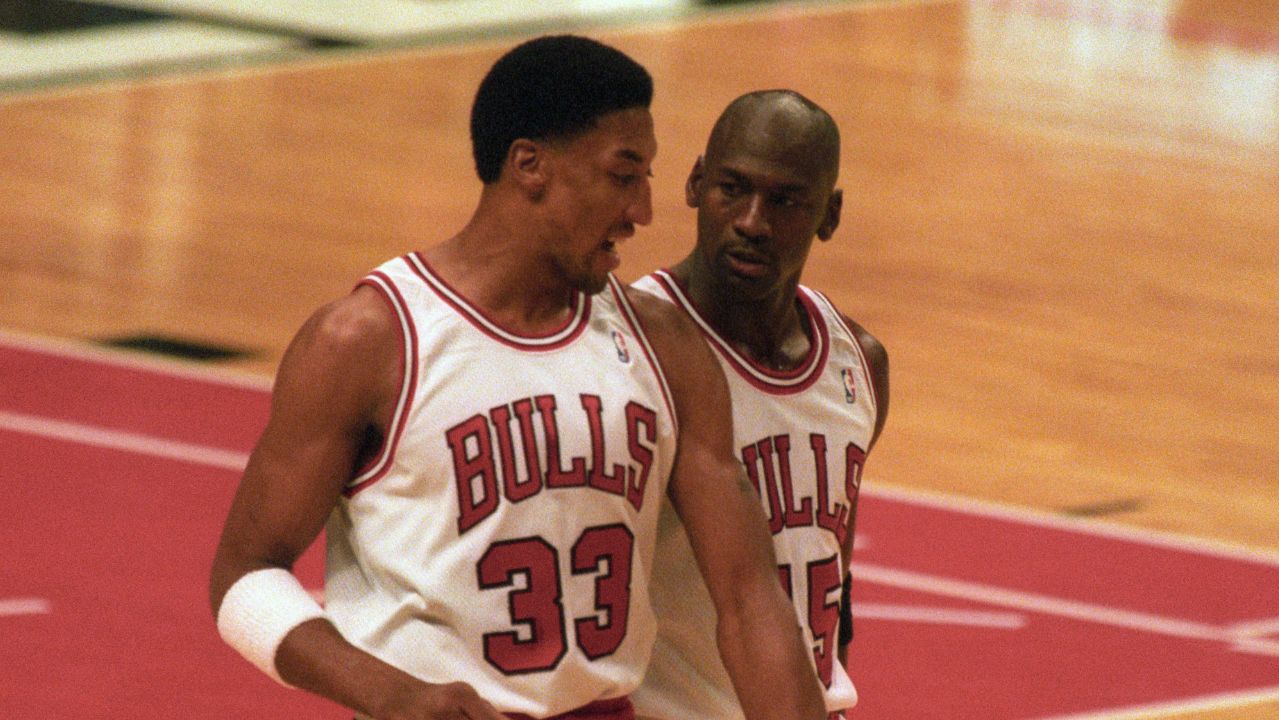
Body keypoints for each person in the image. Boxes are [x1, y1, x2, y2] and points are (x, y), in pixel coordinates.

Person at [208, 36, 827, 720]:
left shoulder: (665, 344)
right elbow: (244, 579)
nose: (644, 210)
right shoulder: (368, 341)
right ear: (530, 166)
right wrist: (388, 692)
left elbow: (749, 599)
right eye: (625, 176)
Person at [629, 90, 890, 720]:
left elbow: (833, 576)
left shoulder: (859, 359)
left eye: (785, 200)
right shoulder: (632, 349)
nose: (751, 220)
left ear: (829, 214)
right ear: (693, 184)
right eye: (732, 188)